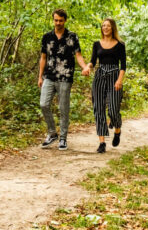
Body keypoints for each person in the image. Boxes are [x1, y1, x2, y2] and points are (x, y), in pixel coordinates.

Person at [38, 8, 88, 150]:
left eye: (60, 20)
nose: (58, 23)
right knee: (44, 104)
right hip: (49, 75)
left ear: (65, 20)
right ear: (53, 20)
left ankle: (63, 138)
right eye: (56, 20)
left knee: (63, 108)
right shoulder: (47, 37)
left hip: (65, 76)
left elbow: (78, 55)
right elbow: (43, 57)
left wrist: (84, 67)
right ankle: (52, 133)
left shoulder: (72, 37)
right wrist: (40, 76)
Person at [83, 18, 126, 154]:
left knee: (113, 109)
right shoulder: (97, 44)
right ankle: (102, 142)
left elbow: (123, 65)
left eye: (108, 26)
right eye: (103, 26)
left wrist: (119, 80)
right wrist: (87, 67)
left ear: (112, 28)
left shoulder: (120, 45)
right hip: (100, 75)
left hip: (114, 76)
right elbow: (92, 61)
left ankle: (117, 130)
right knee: (98, 108)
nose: (105, 28)